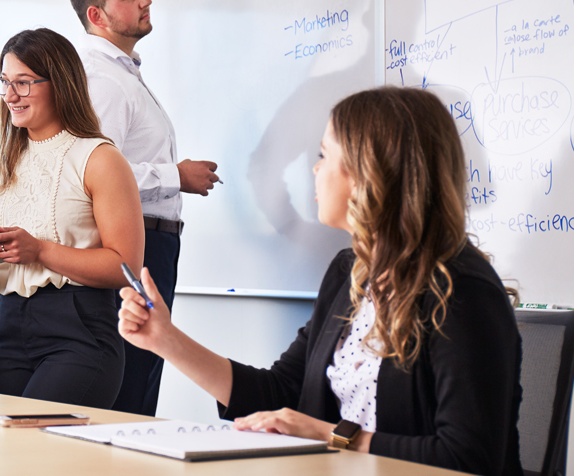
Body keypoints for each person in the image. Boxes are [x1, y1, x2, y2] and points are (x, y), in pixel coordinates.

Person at [118, 87, 522, 475]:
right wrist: (164, 339)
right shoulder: (351, 274)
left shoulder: (463, 290)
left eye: (324, 155)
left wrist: (328, 435)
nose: (315, 169)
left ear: (369, 173)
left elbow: (467, 457)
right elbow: (280, 392)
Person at [0, 28, 144, 408]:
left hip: (79, 327)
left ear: (60, 84)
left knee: (36, 439)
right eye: (5, 82)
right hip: (8, 324)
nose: (10, 95)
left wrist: (40, 250)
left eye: (23, 83)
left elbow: (126, 268)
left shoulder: (100, 159)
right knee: (8, 443)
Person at [67, 0, 221, 416]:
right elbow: (92, 174)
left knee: (141, 381)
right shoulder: (102, 80)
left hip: (153, 241)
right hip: (138, 243)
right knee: (131, 393)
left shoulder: (122, 73)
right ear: (97, 15)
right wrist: (175, 176)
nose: (146, 0)